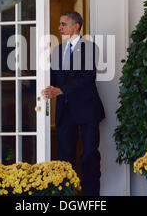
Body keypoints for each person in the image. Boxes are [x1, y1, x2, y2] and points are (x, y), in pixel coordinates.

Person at [41, 11, 105, 196]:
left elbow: (87, 77)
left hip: (87, 110)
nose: (59, 28)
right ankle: (66, 196)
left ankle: (91, 197)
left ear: (76, 26)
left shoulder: (90, 48)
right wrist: (31, 83)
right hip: (65, 111)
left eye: (63, 24)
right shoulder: (57, 51)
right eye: (60, 24)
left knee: (90, 156)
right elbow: (52, 78)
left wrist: (60, 91)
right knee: (64, 158)